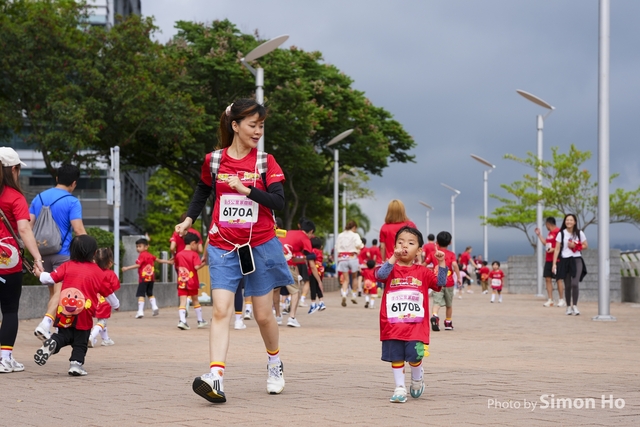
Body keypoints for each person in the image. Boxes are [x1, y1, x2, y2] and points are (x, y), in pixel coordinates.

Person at [176, 98, 292, 403]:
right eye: (252, 125)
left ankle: (274, 362)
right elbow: (203, 189)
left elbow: (279, 202)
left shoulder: (265, 162)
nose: (257, 132)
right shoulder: (214, 161)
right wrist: (189, 218)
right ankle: (215, 377)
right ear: (235, 125)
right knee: (220, 310)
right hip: (223, 246)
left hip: (260, 245)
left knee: (264, 315)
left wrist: (247, 190)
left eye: (261, 126)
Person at [375, 226, 447, 403]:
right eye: (400, 242)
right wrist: (393, 258)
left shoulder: (422, 272)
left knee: (415, 356)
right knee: (396, 356)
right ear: (395, 247)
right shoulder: (390, 269)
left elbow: (440, 283)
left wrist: (441, 263)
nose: (405, 246)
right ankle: (399, 387)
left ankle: (417, 377)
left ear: (419, 250)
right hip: (392, 324)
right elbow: (380, 275)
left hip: (416, 325)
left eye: (410, 243)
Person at [34, 235, 120, 376]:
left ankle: (54, 342)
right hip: (84, 311)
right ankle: (76, 364)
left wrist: (39, 273)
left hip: (65, 308)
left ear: (72, 251)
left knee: (63, 335)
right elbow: (108, 292)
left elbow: (49, 278)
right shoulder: (98, 272)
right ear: (93, 253)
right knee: (81, 339)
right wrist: (116, 304)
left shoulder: (67, 265)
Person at [30, 164, 87, 341]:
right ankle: (45, 324)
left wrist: (34, 255)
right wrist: (88, 250)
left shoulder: (38, 198)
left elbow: (28, 226)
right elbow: (78, 230)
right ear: (74, 183)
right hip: (62, 253)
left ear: (57, 178)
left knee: (54, 293)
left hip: (41, 253)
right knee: (60, 292)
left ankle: (52, 328)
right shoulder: (72, 201)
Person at [0, 147, 44, 373]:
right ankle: (4, 358)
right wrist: (37, 257)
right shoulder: (14, 196)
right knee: (9, 310)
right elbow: (24, 229)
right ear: (13, 169)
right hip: (6, 261)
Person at [279, 219, 323, 327]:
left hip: (275, 262)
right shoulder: (305, 239)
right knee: (295, 291)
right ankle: (292, 318)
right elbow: (311, 263)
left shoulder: (289, 232)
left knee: (276, 291)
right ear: (311, 231)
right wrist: (319, 281)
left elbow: (294, 257)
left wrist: (302, 258)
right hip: (288, 265)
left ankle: (277, 316)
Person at [122, 238, 172, 319]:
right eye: (137, 246)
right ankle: (154, 306)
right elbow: (159, 260)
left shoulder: (142, 255)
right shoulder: (150, 255)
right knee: (150, 293)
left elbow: (138, 265)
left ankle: (140, 311)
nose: (138, 248)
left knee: (141, 294)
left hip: (143, 278)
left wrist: (127, 268)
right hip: (151, 278)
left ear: (146, 247)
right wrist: (168, 262)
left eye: (140, 246)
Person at [552, 214, 588, 315]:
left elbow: (586, 245)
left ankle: (575, 306)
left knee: (574, 283)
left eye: (571, 220)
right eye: (567, 220)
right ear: (564, 222)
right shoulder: (561, 234)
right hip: (565, 260)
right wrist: (554, 264)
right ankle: (568, 307)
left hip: (577, 259)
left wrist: (576, 245)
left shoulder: (579, 233)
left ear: (575, 222)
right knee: (567, 285)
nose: (569, 222)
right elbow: (557, 249)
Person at [174, 232, 209, 330]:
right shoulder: (194, 254)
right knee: (195, 300)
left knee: (182, 301)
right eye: (197, 244)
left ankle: (182, 321)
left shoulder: (179, 254)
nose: (197, 247)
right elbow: (196, 267)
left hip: (181, 281)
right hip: (192, 281)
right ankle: (200, 320)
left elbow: (177, 266)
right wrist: (203, 263)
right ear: (193, 243)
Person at [88, 248, 120, 347]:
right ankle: (92, 336)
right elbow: (111, 291)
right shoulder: (110, 274)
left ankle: (105, 339)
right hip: (104, 301)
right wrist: (116, 305)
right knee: (102, 321)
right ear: (110, 263)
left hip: (91, 300)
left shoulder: (91, 273)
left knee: (101, 320)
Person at [428, 231, 459, 331]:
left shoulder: (433, 254)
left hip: (437, 282)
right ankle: (448, 323)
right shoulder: (451, 254)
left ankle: (435, 315)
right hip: (449, 282)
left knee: (436, 302)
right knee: (449, 304)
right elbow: (454, 265)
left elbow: (424, 264)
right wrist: (459, 277)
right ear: (450, 242)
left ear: (437, 242)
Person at [535, 217, 565, 308]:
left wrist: (553, 249)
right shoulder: (550, 233)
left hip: (557, 259)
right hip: (548, 259)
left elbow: (561, 245)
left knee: (558, 279)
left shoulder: (559, 232)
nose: (546, 226)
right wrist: (539, 235)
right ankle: (550, 299)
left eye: (546, 225)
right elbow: (546, 243)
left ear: (548, 224)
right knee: (547, 279)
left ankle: (561, 299)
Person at [336, 220, 364, 306]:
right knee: (354, 277)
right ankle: (354, 295)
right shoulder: (355, 235)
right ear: (354, 227)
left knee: (346, 279)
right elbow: (359, 244)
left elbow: (336, 246)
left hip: (343, 258)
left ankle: (344, 294)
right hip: (352, 257)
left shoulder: (340, 235)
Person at [307, 237, 326, 314]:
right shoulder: (320, 252)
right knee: (318, 286)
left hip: (313, 271)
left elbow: (311, 263)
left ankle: (313, 304)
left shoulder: (312, 251)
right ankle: (321, 302)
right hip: (320, 270)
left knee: (313, 287)